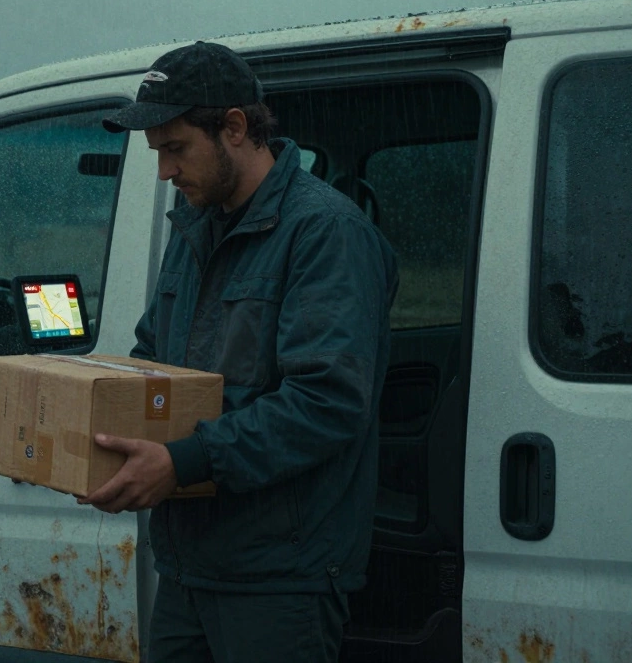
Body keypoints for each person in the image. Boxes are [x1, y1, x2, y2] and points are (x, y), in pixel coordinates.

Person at [76, 40, 399, 662]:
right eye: (158, 154)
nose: (165, 172)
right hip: (190, 563)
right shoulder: (196, 224)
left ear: (235, 127)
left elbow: (326, 402)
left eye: (175, 149)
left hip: (280, 575)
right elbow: (153, 359)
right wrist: (90, 440)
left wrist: (186, 461)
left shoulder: (324, 234)